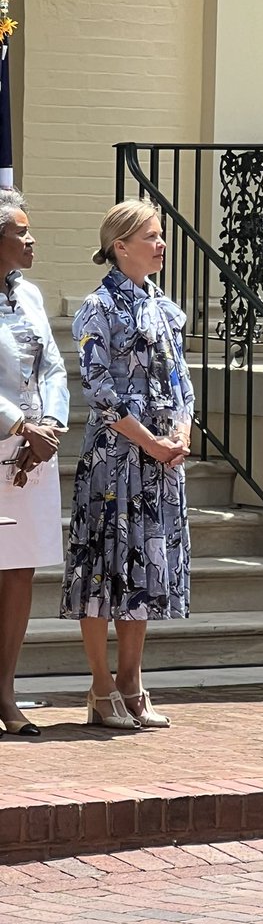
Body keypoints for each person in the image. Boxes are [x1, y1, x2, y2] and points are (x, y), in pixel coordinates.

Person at [60, 200, 193, 730]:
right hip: (115, 459)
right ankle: (99, 688)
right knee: (102, 570)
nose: (162, 245)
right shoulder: (98, 307)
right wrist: (150, 442)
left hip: (162, 459)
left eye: (161, 236)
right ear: (121, 246)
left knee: (144, 570)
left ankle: (132, 684)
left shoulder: (163, 305)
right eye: (152, 237)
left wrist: (181, 429)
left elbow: (181, 378)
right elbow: (100, 391)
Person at [0, 189, 69, 737]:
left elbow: (53, 369)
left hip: (34, 452)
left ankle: (5, 690)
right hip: (8, 436)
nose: (30, 239)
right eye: (20, 231)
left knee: (20, 569)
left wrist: (52, 426)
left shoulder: (32, 296)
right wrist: (19, 424)